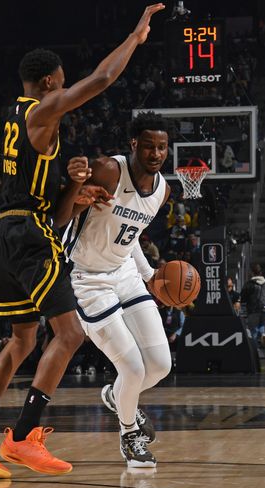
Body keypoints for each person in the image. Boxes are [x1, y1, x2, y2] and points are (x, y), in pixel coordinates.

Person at [0, 3, 166, 480]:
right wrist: (135, 37)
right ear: (49, 83)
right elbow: (102, 79)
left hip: (4, 232)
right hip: (29, 233)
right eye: (63, 82)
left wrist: (75, 188)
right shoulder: (43, 110)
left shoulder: (12, 114)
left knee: (22, 341)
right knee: (69, 334)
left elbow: (46, 195)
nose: (68, 89)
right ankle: (25, 436)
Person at [62, 112, 172, 467]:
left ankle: (115, 395)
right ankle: (129, 435)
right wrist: (77, 195)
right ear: (134, 144)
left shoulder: (162, 190)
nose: (156, 154)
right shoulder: (109, 170)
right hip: (88, 278)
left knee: (159, 365)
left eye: (163, 147)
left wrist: (148, 273)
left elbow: (133, 236)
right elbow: (61, 207)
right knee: (134, 369)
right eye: (150, 146)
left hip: (124, 273)